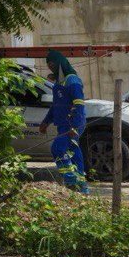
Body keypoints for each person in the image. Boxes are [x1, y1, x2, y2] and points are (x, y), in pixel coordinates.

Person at [40, 49, 89, 194]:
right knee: (74, 153)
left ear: (59, 63)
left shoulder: (72, 81)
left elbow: (79, 105)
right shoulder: (58, 83)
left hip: (72, 124)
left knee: (58, 148)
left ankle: (71, 182)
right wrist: (46, 121)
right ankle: (82, 187)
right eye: (48, 65)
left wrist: (74, 126)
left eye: (52, 64)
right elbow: (55, 106)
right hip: (63, 125)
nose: (50, 67)